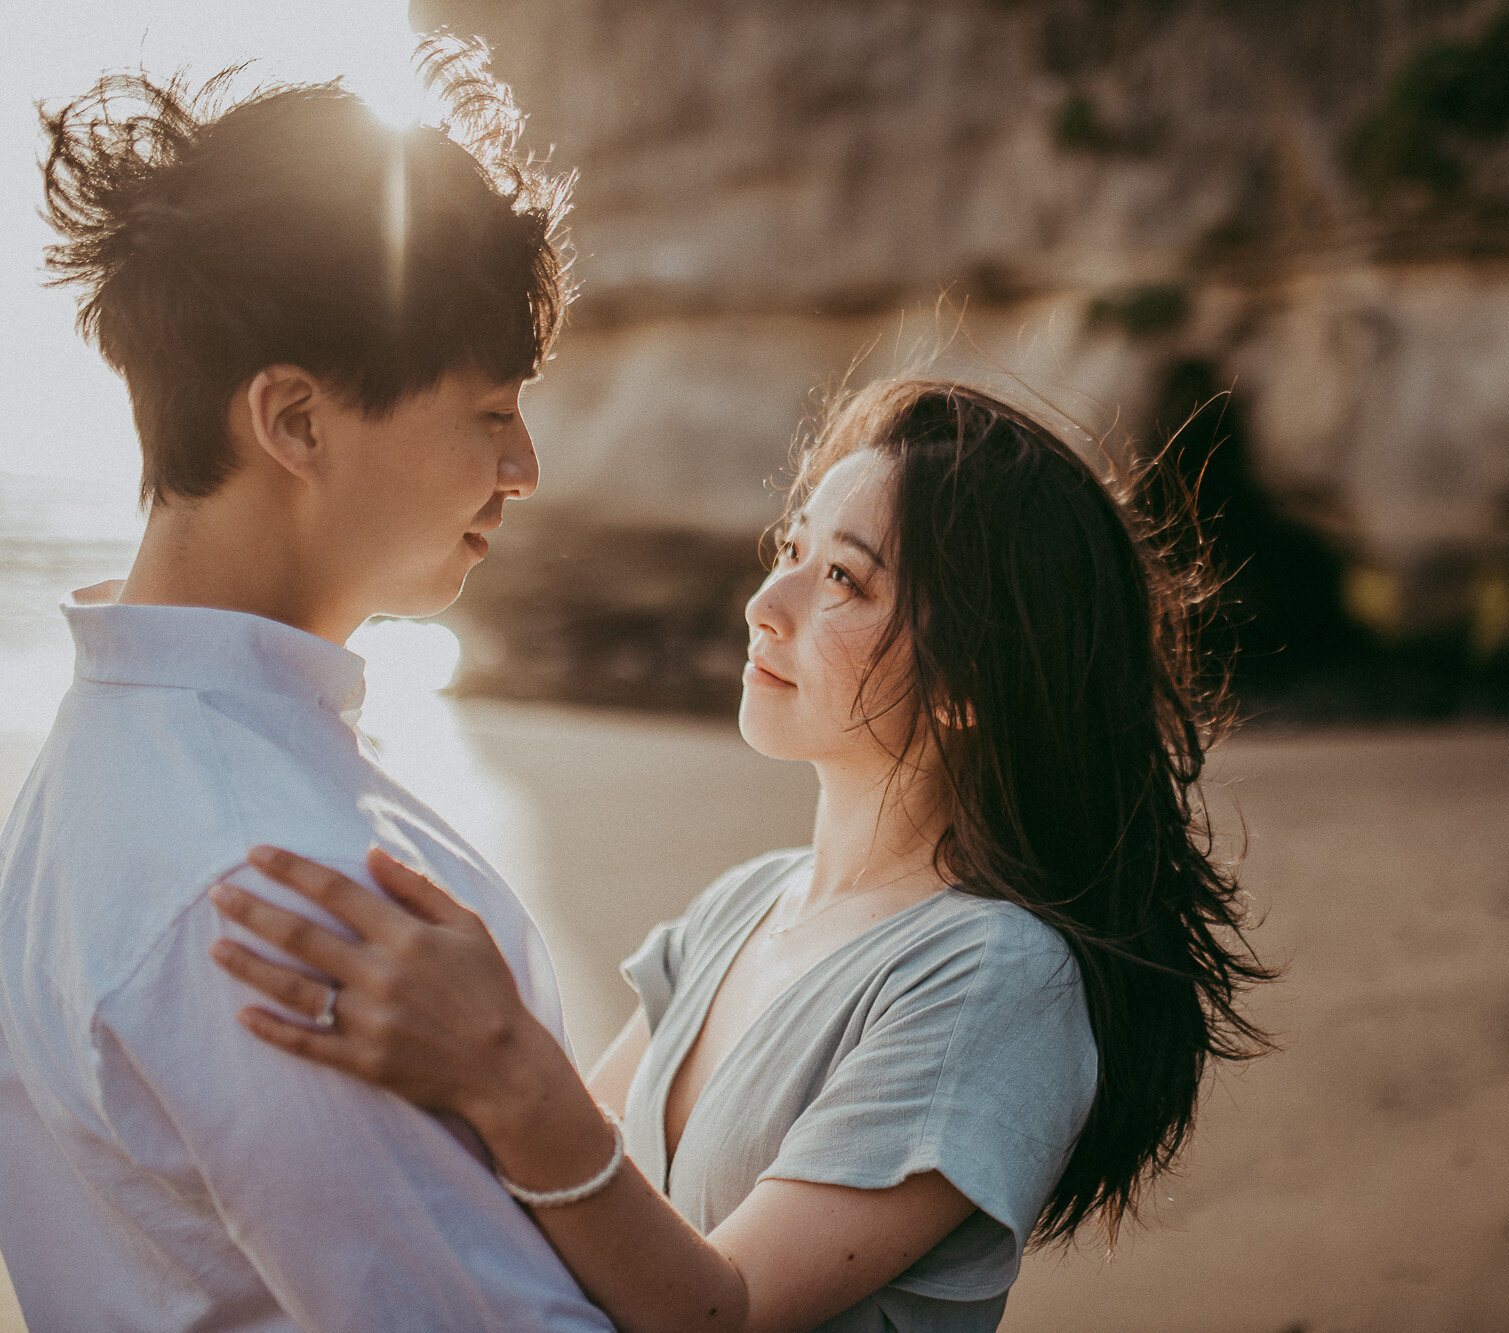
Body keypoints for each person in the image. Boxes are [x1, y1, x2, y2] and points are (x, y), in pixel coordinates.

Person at [207, 379, 1278, 1332]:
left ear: (965, 684)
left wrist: (502, 1065)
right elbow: (543, 1211)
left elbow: (727, 1307)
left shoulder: (994, 975)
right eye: (790, 552)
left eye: (845, 582)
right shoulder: (746, 903)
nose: (765, 606)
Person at [0, 41, 618, 1330]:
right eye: (490, 411)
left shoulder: (122, 755)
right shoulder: (265, 885)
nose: (526, 467)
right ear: (294, 421)